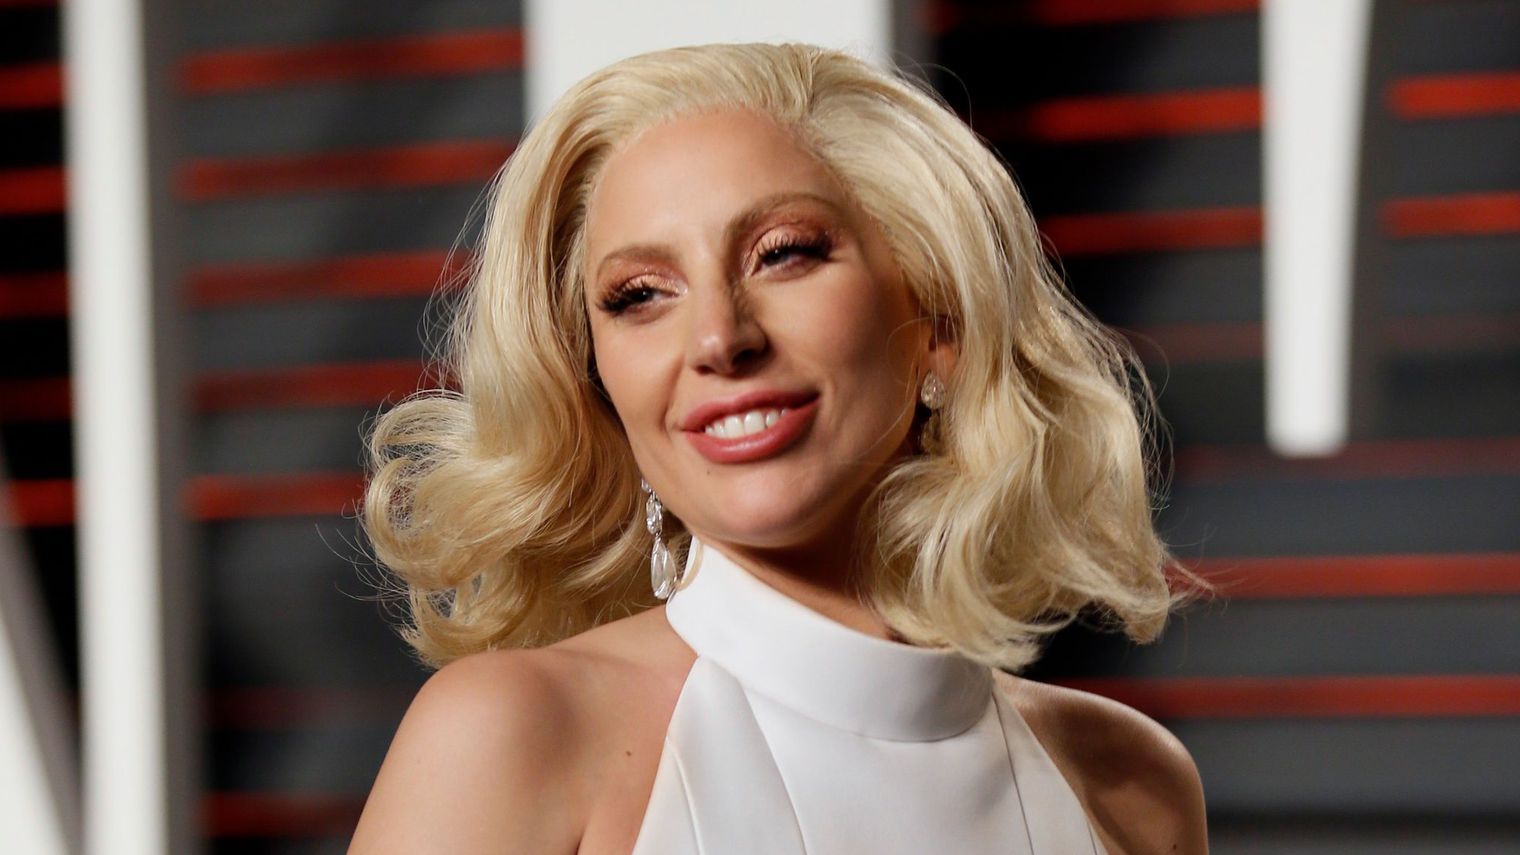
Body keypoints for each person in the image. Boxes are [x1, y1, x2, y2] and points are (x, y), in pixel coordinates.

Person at [349, 42, 1208, 854]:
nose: (719, 338)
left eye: (784, 254)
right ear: (599, 385)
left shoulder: (1130, 785)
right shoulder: (512, 733)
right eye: (640, 294)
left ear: (940, 322)